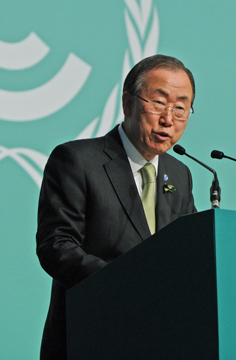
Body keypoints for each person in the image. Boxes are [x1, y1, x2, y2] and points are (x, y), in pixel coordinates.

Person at [36, 54, 198, 360]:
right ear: (128, 103)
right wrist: (125, 285)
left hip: (159, 343)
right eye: (159, 103)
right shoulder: (77, 160)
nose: (169, 119)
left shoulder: (180, 174)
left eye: (180, 108)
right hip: (90, 337)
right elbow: (55, 246)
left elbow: (184, 255)